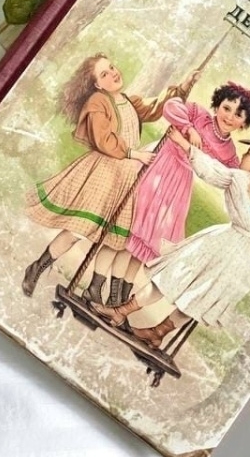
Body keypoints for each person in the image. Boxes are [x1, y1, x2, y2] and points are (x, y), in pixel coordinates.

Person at [94, 134, 250, 351]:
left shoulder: (245, 182)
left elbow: (210, 170)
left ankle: (138, 321)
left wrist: (185, 145)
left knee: (182, 278)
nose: (243, 156)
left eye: (249, 154)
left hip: (229, 249)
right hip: (245, 257)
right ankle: (148, 328)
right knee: (199, 290)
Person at [22, 54, 196, 307]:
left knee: (115, 238)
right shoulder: (98, 102)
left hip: (126, 178)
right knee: (78, 229)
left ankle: (94, 289)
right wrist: (133, 154)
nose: (113, 73)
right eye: (104, 74)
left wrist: (183, 88)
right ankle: (37, 267)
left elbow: (156, 108)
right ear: (97, 84)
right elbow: (103, 139)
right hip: (104, 172)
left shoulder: (128, 101)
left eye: (112, 68)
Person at [126, 82, 250, 264]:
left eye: (238, 115)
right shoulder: (199, 115)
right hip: (159, 162)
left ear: (244, 122)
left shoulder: (228, 151)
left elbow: (235, 175)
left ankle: (126, 276)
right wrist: (189, 128)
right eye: (226, 108)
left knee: (156, 230)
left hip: (179, 183)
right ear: (217, 105)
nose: (229, 117)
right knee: (135, 212)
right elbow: (171, 106)